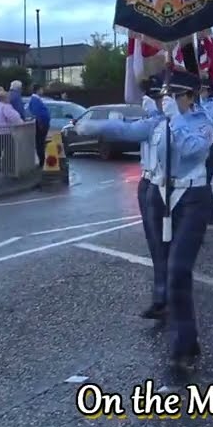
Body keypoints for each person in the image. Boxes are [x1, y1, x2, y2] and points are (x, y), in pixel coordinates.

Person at [79, 69, 213, 371]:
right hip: (160, 195)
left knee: (180, 270)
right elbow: (128, 131)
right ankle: (186, 339)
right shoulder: (158, 122)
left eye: (174, 95)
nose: (167, 100)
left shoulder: (204, 122)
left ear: (190, 97)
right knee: (166, 266)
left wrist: (174, 119)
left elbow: (192, 150)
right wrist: (93, 127)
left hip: (192, 198)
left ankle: (182, 345)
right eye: (166, 95)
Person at [81, 75, 170, 319]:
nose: (152, 102)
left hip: (165, 186)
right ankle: (162, 296)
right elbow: (128, 127)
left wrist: (98, 127)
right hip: (149, 181)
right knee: (156, 244)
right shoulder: (151, 120)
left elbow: (126, 130)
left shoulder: (163, 121)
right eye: (152, 98)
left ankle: (167, 296)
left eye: (157, 98)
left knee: (165, 245)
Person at [0, 86, 25, 176]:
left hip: (0, 131)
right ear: (5, 98)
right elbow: (13, 117)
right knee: (10, 150)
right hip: (6, 131)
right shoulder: (6, 106)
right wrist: (21, 122)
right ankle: (8, 168)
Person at [28, 84, 51, 165]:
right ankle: (42, 161)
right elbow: (37, 112)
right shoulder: (35, 100)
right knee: (40, 143)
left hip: (41, 123)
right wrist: (41, 123)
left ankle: (42, 160)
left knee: (41, 142)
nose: (42, 91)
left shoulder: (36, 99)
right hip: (41, 124)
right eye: (41, 89)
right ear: (38, 90)